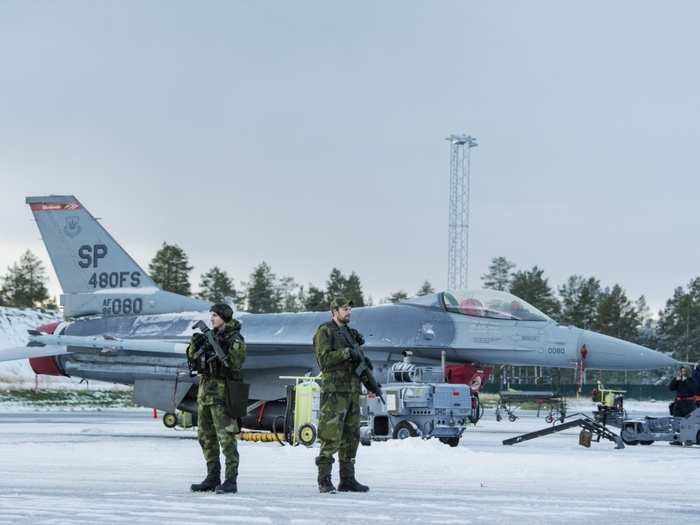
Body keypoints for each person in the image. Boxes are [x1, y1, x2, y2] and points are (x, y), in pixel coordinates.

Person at [187, 303, 246, 494]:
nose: (211, 318)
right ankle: (212, 477)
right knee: (206, 437)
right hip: (205, 394)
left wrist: (220, 350)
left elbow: (235, 365)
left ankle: (230, 480)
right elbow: (193, 359)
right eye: (210, 315)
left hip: (222, 395)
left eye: (215, 315)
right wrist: (195, 345)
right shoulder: (208, 337)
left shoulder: (234, 339)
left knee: (226, 439)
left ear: (224, 317)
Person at [313, 296, 369, 494]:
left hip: (352, 391)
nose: (348, 312)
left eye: (349, 309)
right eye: (344, 309)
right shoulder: (325, 331)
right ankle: (324, 479)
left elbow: (356, 360)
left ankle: (347, 479)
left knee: (351, 436)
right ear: (334, 311)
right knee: (330, 435)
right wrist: (347, 353)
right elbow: (324, 360)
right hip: (335, 392)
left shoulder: (350, 334)